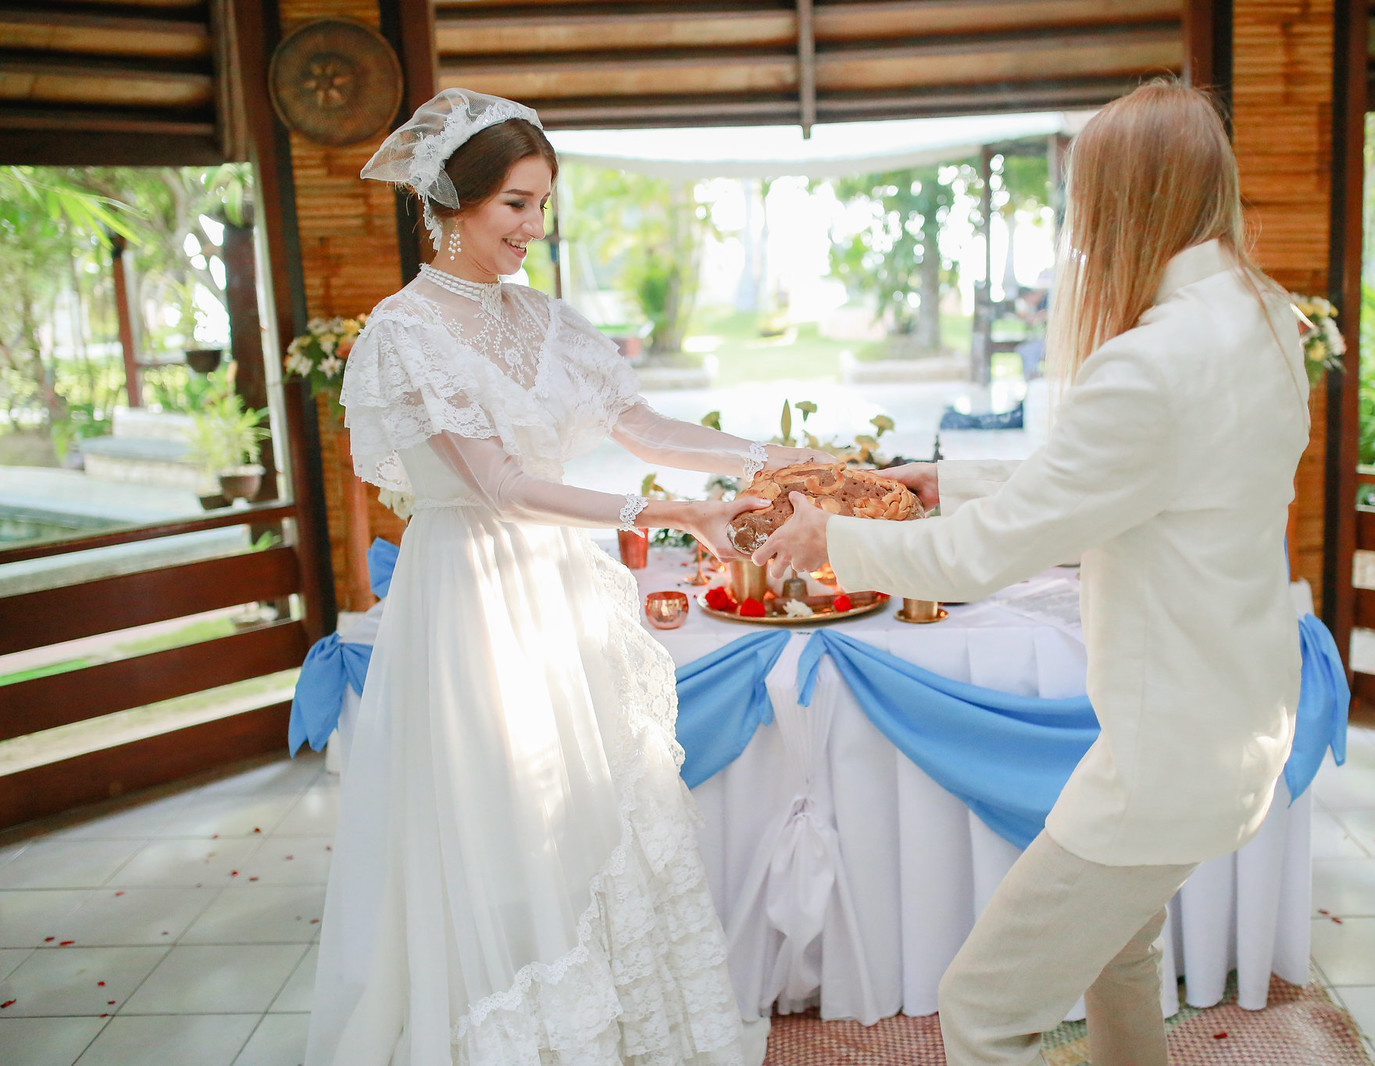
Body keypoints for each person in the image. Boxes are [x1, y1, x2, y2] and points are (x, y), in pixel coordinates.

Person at [752, 80, 1311, 1066]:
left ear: (1126, 200)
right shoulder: (1259, 319)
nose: (1080, 234)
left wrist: (828, 540)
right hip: (1234, 716)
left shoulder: (1148, 363)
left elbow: (981, 557)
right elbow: (1141, 478)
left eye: (1084, 202)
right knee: (1115, 948)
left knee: (980, 1008)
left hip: (1162, 757)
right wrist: (949, 475)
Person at [306, 88, 828, 1066]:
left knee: (588, 817)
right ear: (449, 203)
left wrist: (777, 456)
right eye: (514, 203)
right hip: (470, 597)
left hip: (555, 590)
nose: (532, 229)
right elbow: (499, 485)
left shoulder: (547, 320)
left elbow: (643, 426)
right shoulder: (405, 331)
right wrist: (665, 511)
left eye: (543, 205)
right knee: (499, 824)